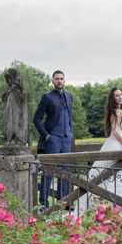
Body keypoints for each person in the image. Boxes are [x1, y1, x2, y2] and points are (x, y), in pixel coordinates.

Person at [77, 87, 122, 215]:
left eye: (121, 94)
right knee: (114, 176)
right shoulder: (117, 111)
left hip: (113, 145)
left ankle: (112, 209)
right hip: (115, 146)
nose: (120, 97)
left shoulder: (118, 111)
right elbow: (115, 131)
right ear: (113, 99)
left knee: (107, 176)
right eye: (117, 95)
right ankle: (118, 210)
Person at [33, 70, 73, 208]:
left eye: (62, 78)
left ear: (64, 80)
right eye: (57, 79)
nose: (59, 81)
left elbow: (69, 118)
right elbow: (36, 119)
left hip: (66, 138)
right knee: (49, 171)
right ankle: (43, 204)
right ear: (53, 81)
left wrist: (70, 132)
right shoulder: (47, 97)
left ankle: (63, 203)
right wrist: (46, 135)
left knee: (65, 171)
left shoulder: (69, 96)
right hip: (53, 138)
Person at [1, 68, 28, 146]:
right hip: (9, 112)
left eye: (9, 78)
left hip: (18, 113)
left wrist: (16, 89)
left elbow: (23, 99)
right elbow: (4, 98)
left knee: (16, 124)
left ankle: (17, 139)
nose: (8, 81)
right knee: (9, 124)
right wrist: (9, 91)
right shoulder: (9, 89)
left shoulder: (20, 89)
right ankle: (11, 138)